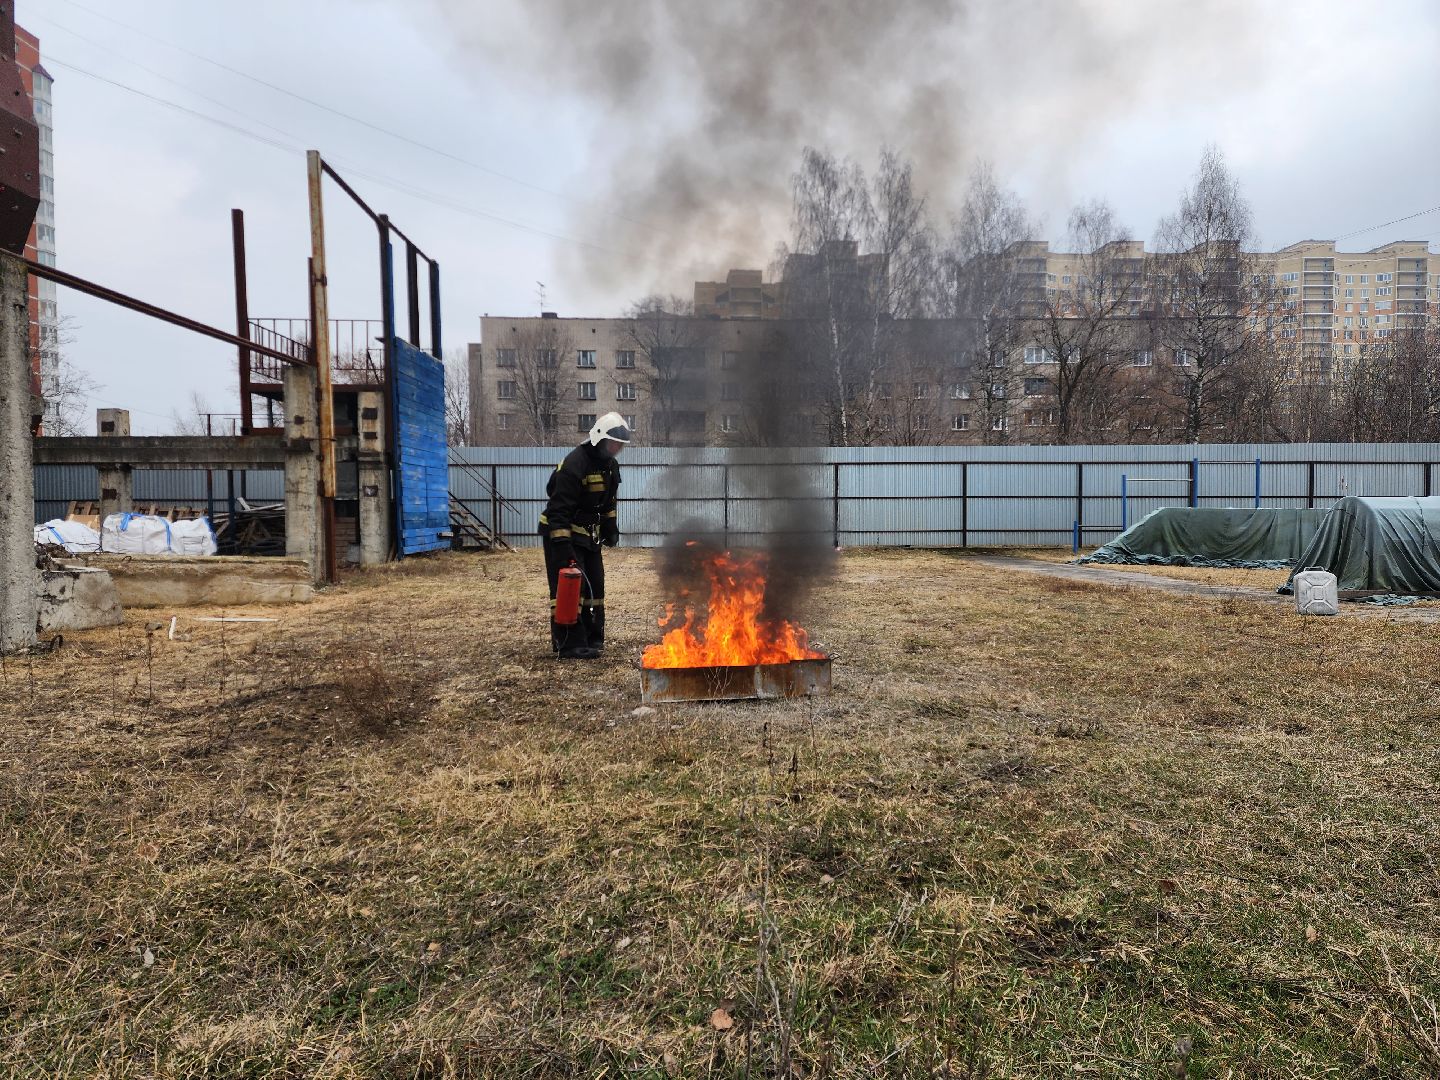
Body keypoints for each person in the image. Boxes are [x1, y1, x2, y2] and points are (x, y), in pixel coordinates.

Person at [538, 412, 630, 659]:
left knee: (595, 587)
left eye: (620, 445)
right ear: (599, 438)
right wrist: (563, 548)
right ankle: (569, 644)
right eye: (614, 444)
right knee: (569, 588)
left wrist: (611, 527)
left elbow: (609, 501)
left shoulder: (610, 465)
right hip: (562, 532)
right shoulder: (575, 464)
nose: (617, 449)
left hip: (589, 535)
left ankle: (592, 638)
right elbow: (558, 511)